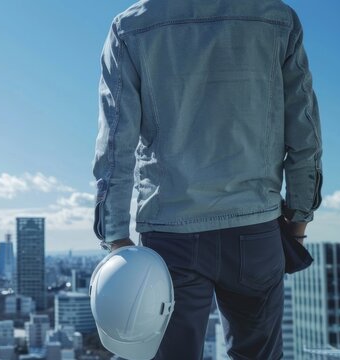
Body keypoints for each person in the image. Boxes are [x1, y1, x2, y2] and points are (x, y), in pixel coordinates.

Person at [91, 0, 323, 359]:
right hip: (256, 230)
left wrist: (117, 239)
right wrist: (300, 219)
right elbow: (304, 130)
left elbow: (115, 143)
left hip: (169, 236)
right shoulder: (277, 18)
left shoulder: (131, 27)